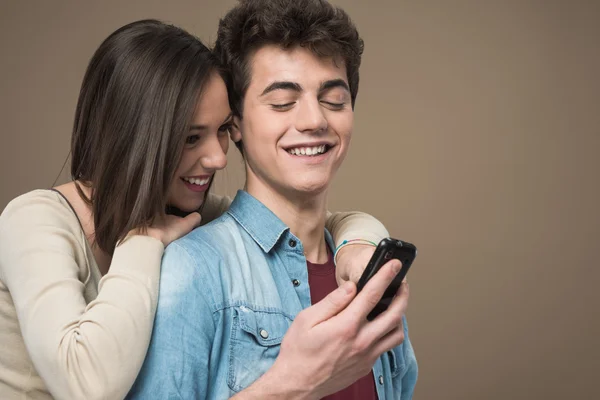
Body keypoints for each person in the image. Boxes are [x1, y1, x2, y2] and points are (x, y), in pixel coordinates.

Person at [0, 19, 392, 400]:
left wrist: (359, 241)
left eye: (221, 129)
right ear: (137, 139)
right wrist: (143, 242)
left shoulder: (189, 216)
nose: (218, 159)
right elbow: (86, 386)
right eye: (191, 138)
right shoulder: (36, 220)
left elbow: (297, 222)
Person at [129, 1, 417, 399]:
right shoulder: (193, 270)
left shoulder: (370, 270)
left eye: (334, 99)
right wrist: (294, 386)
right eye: (283, 102)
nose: (315, 121)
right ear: (235, 125)